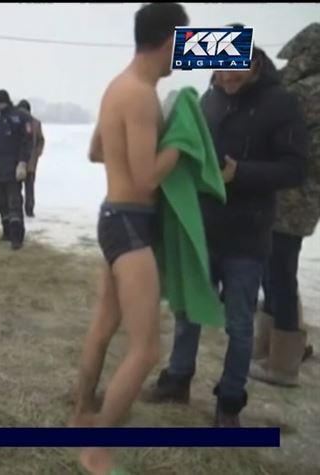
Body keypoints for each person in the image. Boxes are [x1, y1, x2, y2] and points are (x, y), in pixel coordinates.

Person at [146, 36, 308, 424]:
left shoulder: (280, 103)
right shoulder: (209, 99)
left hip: (247, 233)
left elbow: (296, 168)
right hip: (203, 226)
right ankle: (178, 379)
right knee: (189, 310)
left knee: (239, 321)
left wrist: (242, 173)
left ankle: (230, 400)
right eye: (220, 71)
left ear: (254, 65)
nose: (226, 79)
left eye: (235, 71)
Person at [69, 4, 188, 474]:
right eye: (185, 42)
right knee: (147, 349)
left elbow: (96, 149)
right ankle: (97, 449)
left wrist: (125, 151)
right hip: (131, 222)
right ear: (168, 42)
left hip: (114, 216)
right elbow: (145, 178)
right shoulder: (140, 96)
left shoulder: (118, 87)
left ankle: (82, 415)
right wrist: (183, 145)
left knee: (103, 328)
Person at [251, 22, 319, 387]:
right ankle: (270, 350)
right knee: (274, 271)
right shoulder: (299, 87)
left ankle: (282, 364)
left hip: (292, 196)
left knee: (279, 273)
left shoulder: (307, 91)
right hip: (288, 193)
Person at [0, 90, 32, 251]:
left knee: (14, 203)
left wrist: (22, 163)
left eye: (1, 103)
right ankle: (7, 233)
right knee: (2, 204)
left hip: (13, 169)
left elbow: (26, 143)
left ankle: (17, 238)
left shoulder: (20, 118)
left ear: (7, 101)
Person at [16, 100, 45, 217]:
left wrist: (37, 153)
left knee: (29, 187)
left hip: (30, 161)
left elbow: (41, 140)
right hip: (17, 160)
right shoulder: (15, 122)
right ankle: (18, 208)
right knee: (17, 188)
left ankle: (29, 209)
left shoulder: (35, 123)